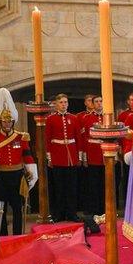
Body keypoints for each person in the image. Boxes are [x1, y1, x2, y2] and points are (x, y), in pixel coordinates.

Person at [0, 88, 38, 235]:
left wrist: (32, 171)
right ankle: (2, 236)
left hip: (16, 176)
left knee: (17, 208)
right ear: (0, 122)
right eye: (5, 122)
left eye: (10, 121)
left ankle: (17, 234)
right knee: (0, 208)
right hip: (0, 176)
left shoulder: (21, 137)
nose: (7, 124)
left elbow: (27, 156)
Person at [45, 93, 81, 222]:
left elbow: (78, 138)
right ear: (56, 104)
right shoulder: (50, 119)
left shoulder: (74, 118)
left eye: (65, 102)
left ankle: (72, 213)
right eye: (61, 102)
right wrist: (49, 158)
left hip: (71, 156)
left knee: (71, 188)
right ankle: (58, 214)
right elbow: (48, 139)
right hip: (57, 156)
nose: (64, 104)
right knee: (59, 188)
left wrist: (79, 157)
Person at [79, 95, 105, 215]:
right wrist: (83, 157)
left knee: (105, 183)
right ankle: (94, 210)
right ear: (93, 104)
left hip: (105, 154)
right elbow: (83, 139)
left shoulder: (108, 117)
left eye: (101, 101)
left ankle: (104, 209)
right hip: (92, 154)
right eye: (97, 102)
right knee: (93, 185)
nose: (99, 103)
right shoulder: (87, 118)